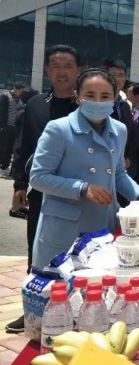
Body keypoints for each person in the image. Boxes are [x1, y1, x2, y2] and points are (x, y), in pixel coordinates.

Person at [29, 69, 139, 268]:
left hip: (103, 224)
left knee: (98, 283)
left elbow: (118, 173)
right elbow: (38, 177)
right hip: (65, 228)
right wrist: (83, 188)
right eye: (90, 95)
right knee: (58, 283)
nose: (98, 101)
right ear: (77, 96)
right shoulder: (59, 129)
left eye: (105, 96)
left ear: (115, 98)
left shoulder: (119, 130)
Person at [13, 45, 81, 277]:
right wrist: (20, 184)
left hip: (79, 191)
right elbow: (24, 145)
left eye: (68, 66)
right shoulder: (36, 104)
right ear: (46, 71)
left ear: (78, 70)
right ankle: (35, 289)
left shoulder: (86, 106)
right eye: (55, 66)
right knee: (38, 250)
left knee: (77, 256)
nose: (62, 72)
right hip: (42, 192)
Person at [8, 88, 39, 219]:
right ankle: (15, 208)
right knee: (19, 185)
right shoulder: (25, 113)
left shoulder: (22, 111)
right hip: (21, 154)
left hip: (19, 152)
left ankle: (17, 207)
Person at [102, 59, 136, 175]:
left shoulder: (125, 106)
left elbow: (130, 134)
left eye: (121, 75)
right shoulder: (98, 104)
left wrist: (128, 158)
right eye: (113, 75)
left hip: (120, 165)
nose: (117, 79)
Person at [0, 82, 25, 175]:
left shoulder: (19, 99)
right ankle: (2, 166)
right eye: (20, 91)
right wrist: (2, 126)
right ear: (15, 88)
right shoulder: (5, 96)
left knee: (10, 149)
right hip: (5, 127)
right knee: (3, 147)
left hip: (14, 128)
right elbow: (1, 112)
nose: (21, 93)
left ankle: (5, 167)